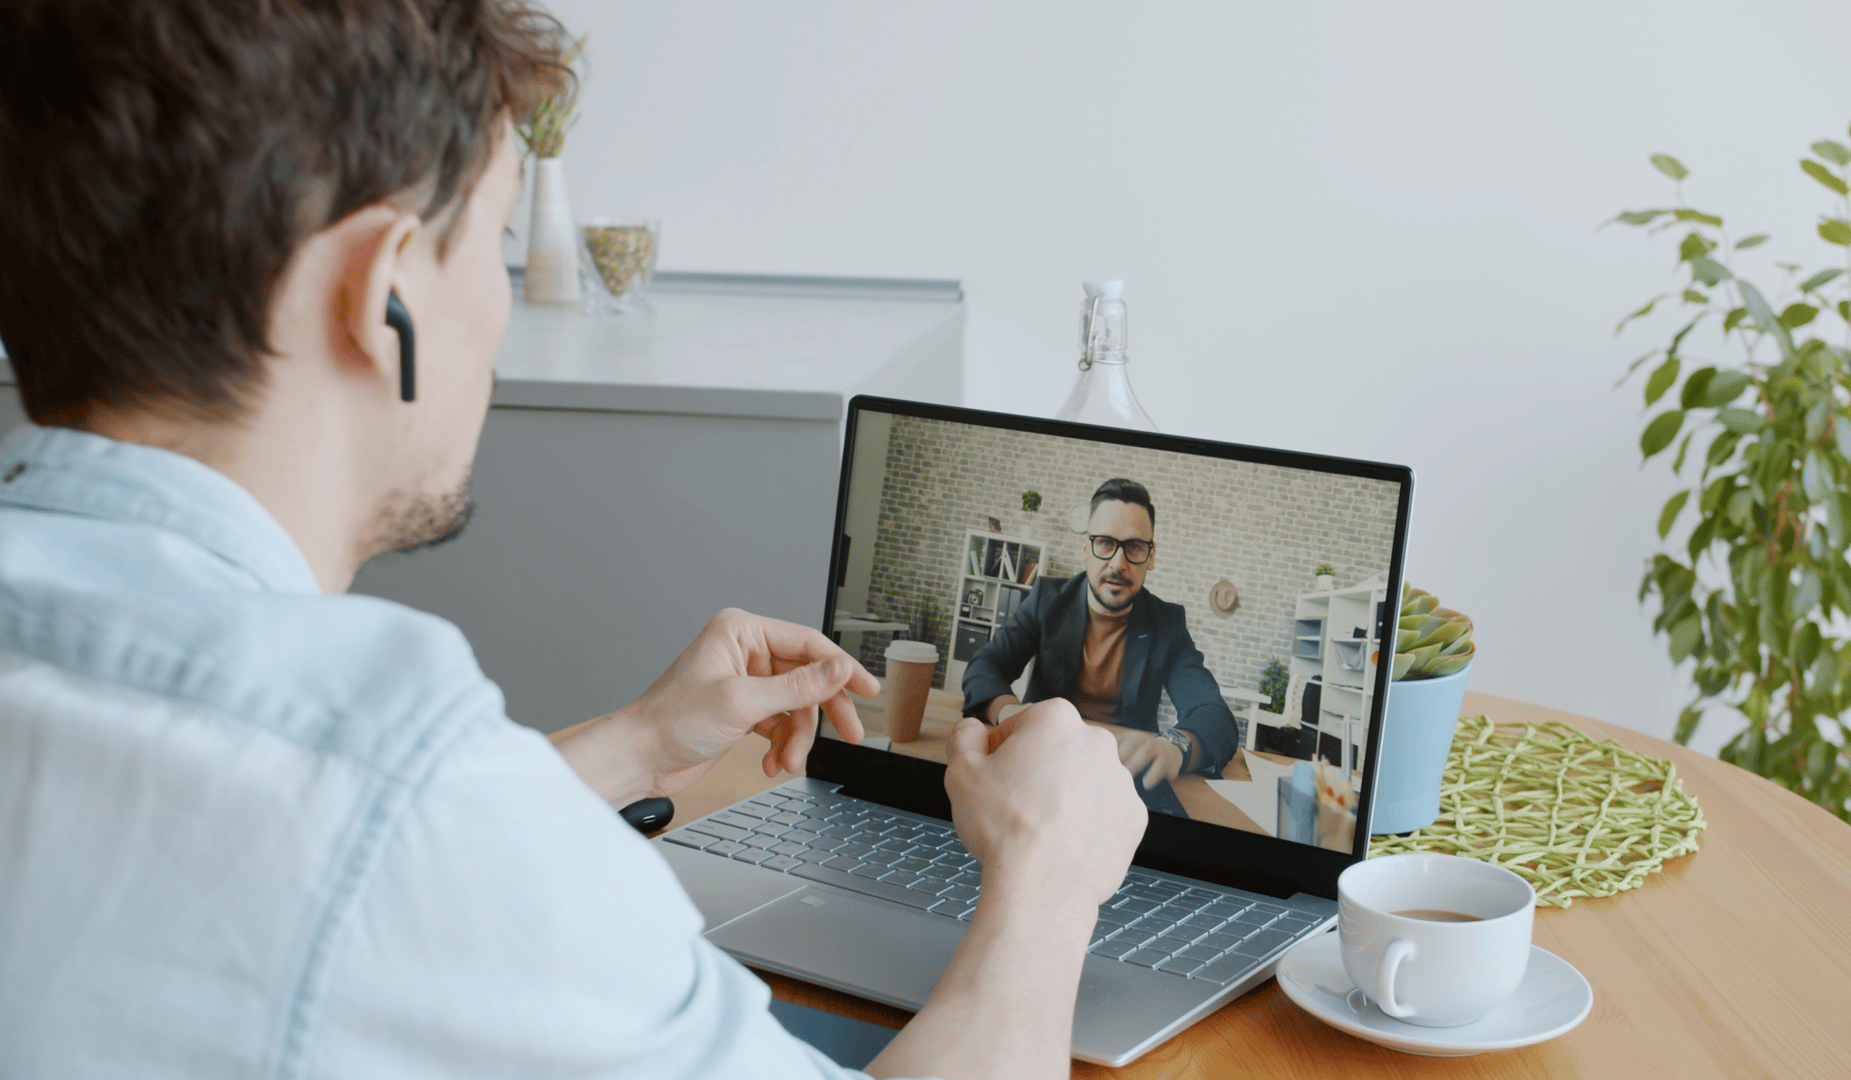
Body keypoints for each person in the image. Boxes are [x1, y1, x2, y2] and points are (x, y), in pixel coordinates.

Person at [0, 3, 1146, 1078]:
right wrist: (1047, 875)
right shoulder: (409, 790)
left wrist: (636, 746)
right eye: (493, 244)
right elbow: (390, 834)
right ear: (382, 289)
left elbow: (288, 843)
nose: (496, 315)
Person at [963, 479, 1238, 817]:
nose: (1118, 563)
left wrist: (1176, 746)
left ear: (1150, 557)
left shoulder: (1168, 624)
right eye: (1105, 543)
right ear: (1085, 549)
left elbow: (1215, 715)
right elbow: (985, 666)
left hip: (1125, 779)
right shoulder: (1047, 601)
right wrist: (1010, 714)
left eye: (1134, 547)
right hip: (1040, 760)